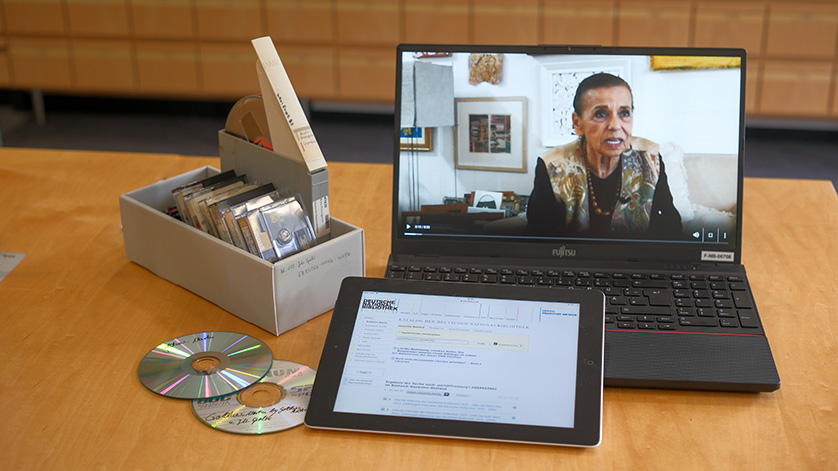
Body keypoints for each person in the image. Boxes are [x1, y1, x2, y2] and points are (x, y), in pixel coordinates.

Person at [526, 73, 682, 239]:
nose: (615, 126)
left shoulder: (650, 159)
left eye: (624, 113)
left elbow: (670, 231)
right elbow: (539, 239)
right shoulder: (552, 166)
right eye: (600, 114)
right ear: (577, 123)